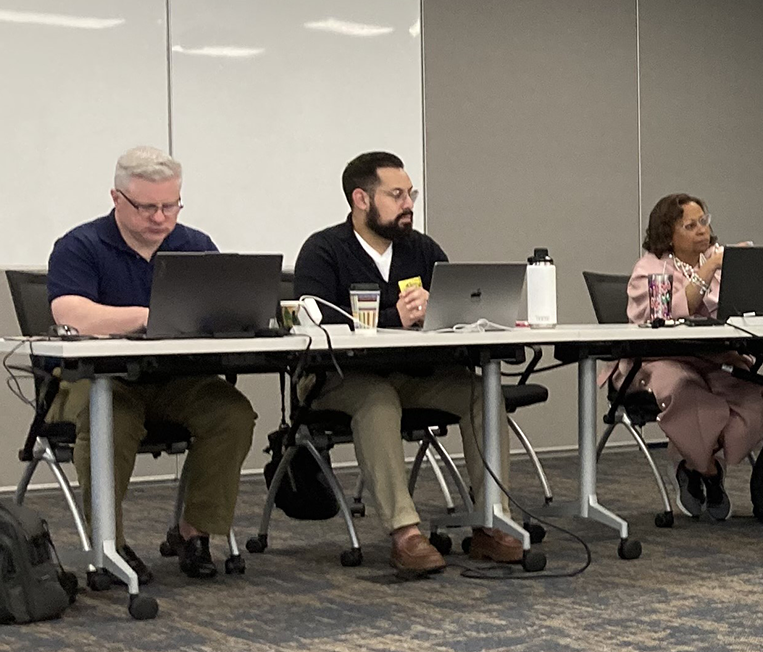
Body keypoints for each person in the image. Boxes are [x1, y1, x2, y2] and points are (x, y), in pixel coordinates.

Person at [292, 152, 522, 574]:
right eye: (396, 195)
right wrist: (394, 317)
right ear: (361, 199)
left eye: (410, 193)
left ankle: (491, 520)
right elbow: (315, 320)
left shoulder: (422, 250)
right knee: (377, 399)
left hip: (413, 373)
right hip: (337, 379)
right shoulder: (323, 250)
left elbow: (458, 311)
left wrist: (441, 311)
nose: (408, 204)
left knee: (480, 393)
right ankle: (406, 534)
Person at [46, 146, 257, 581]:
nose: (160, 218)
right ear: (116, 198)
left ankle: (193, 532)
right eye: (147, 207)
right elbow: (71, 313)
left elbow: (217, 310)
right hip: (100, 382)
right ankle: (111, 545)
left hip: (175, 379)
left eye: (170, 205)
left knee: (231, 414)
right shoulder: (80, 246)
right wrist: (148, 316)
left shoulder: (195, 246)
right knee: (109, 423)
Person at [620, 194, 763, 521]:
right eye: (690, 225)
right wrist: (712, 265)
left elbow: (734, 313)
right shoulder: (650, 267)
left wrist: (746, 272)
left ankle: (692, 465)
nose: (702, 230)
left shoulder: (717, 260)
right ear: (667, 234)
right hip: (658, 359)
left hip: (712, 357)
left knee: (751, 397)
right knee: (688, 395)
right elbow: (674, 312)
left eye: (704, 220)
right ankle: (710, 472)